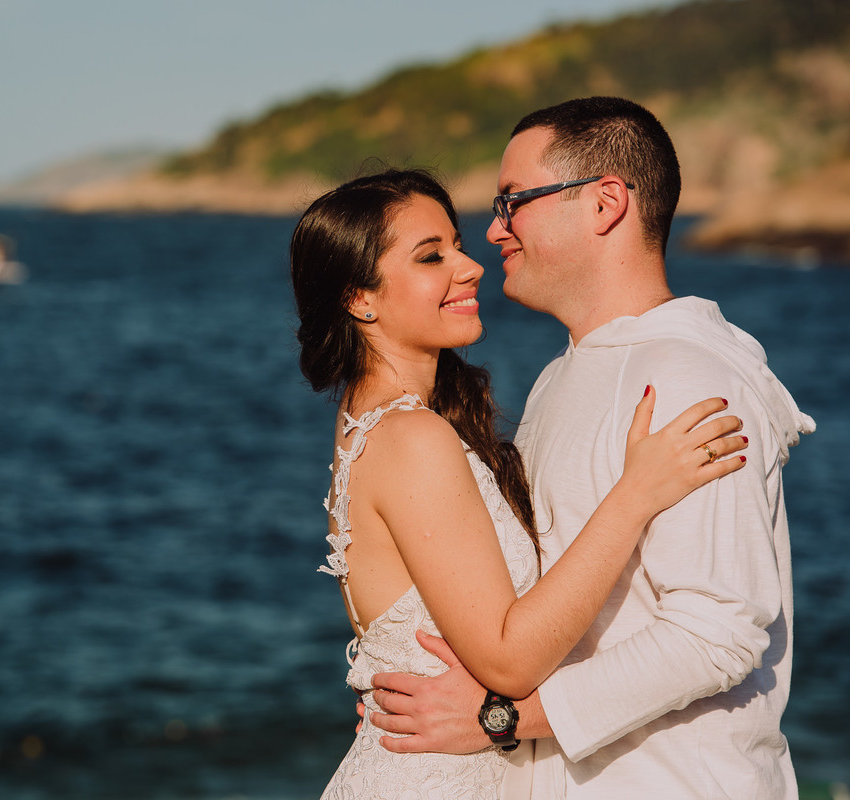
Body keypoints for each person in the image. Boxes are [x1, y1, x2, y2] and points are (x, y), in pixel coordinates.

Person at [366, 98, 815, 799]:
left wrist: (503, 717)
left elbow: (716, 631)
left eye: (514, 201)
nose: (494, 230)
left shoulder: (688, 376)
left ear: (606, 203)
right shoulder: (562, 374)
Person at [289, 167, 748, 800]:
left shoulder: (373, 422)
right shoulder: (413, 438)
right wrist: (637, 494)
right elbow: (509, 660)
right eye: (431, 257)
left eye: (457, 245)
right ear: (359, 299)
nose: (470, 266)